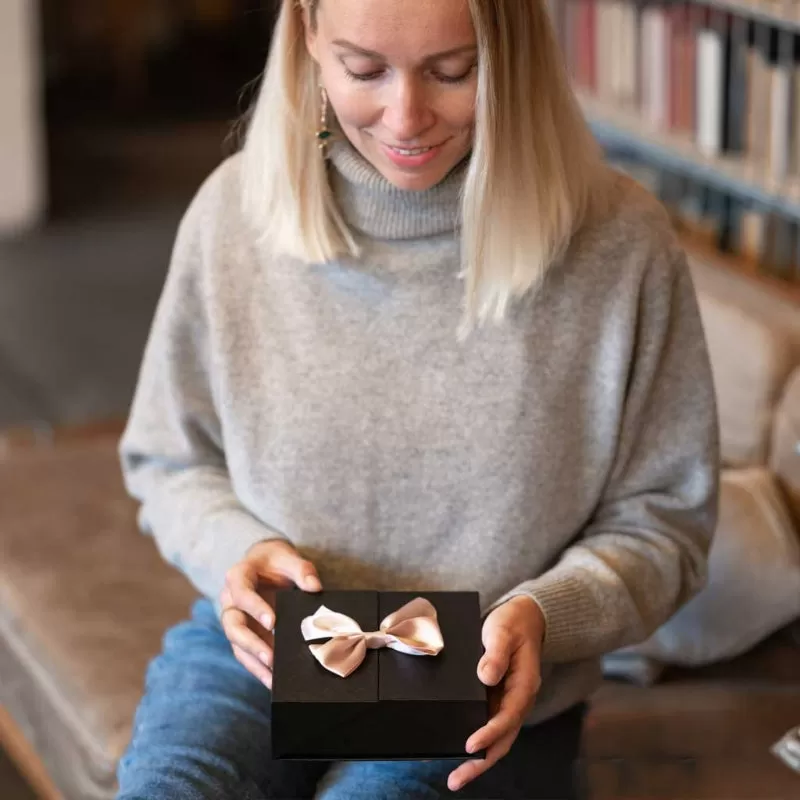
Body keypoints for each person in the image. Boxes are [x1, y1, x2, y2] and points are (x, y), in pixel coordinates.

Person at [114, 0, 720, 798]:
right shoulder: (232, 215)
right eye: (364, 70)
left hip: (482, 681)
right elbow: (168, 457)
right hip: (264, 655)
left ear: (515, 55)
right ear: (308, 39)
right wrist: (234, 550)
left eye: (453, 71)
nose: (407, 117)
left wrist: (548, 613)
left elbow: (666, 521)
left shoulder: (622, 247)